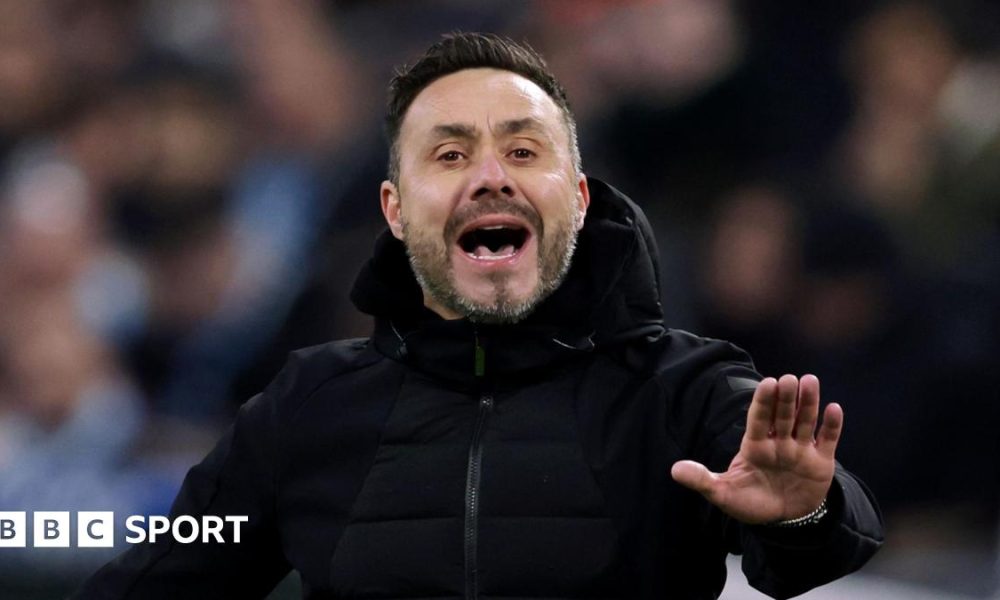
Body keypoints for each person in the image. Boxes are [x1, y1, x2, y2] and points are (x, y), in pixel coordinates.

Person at [73, 32, 883, 599]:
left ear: (577, 196)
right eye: (451, 153)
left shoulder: (682, 387)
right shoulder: (306, 406)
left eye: (524, 151)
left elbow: (821, 547)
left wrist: (804, 512)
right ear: (394, 209)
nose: (491, 176)